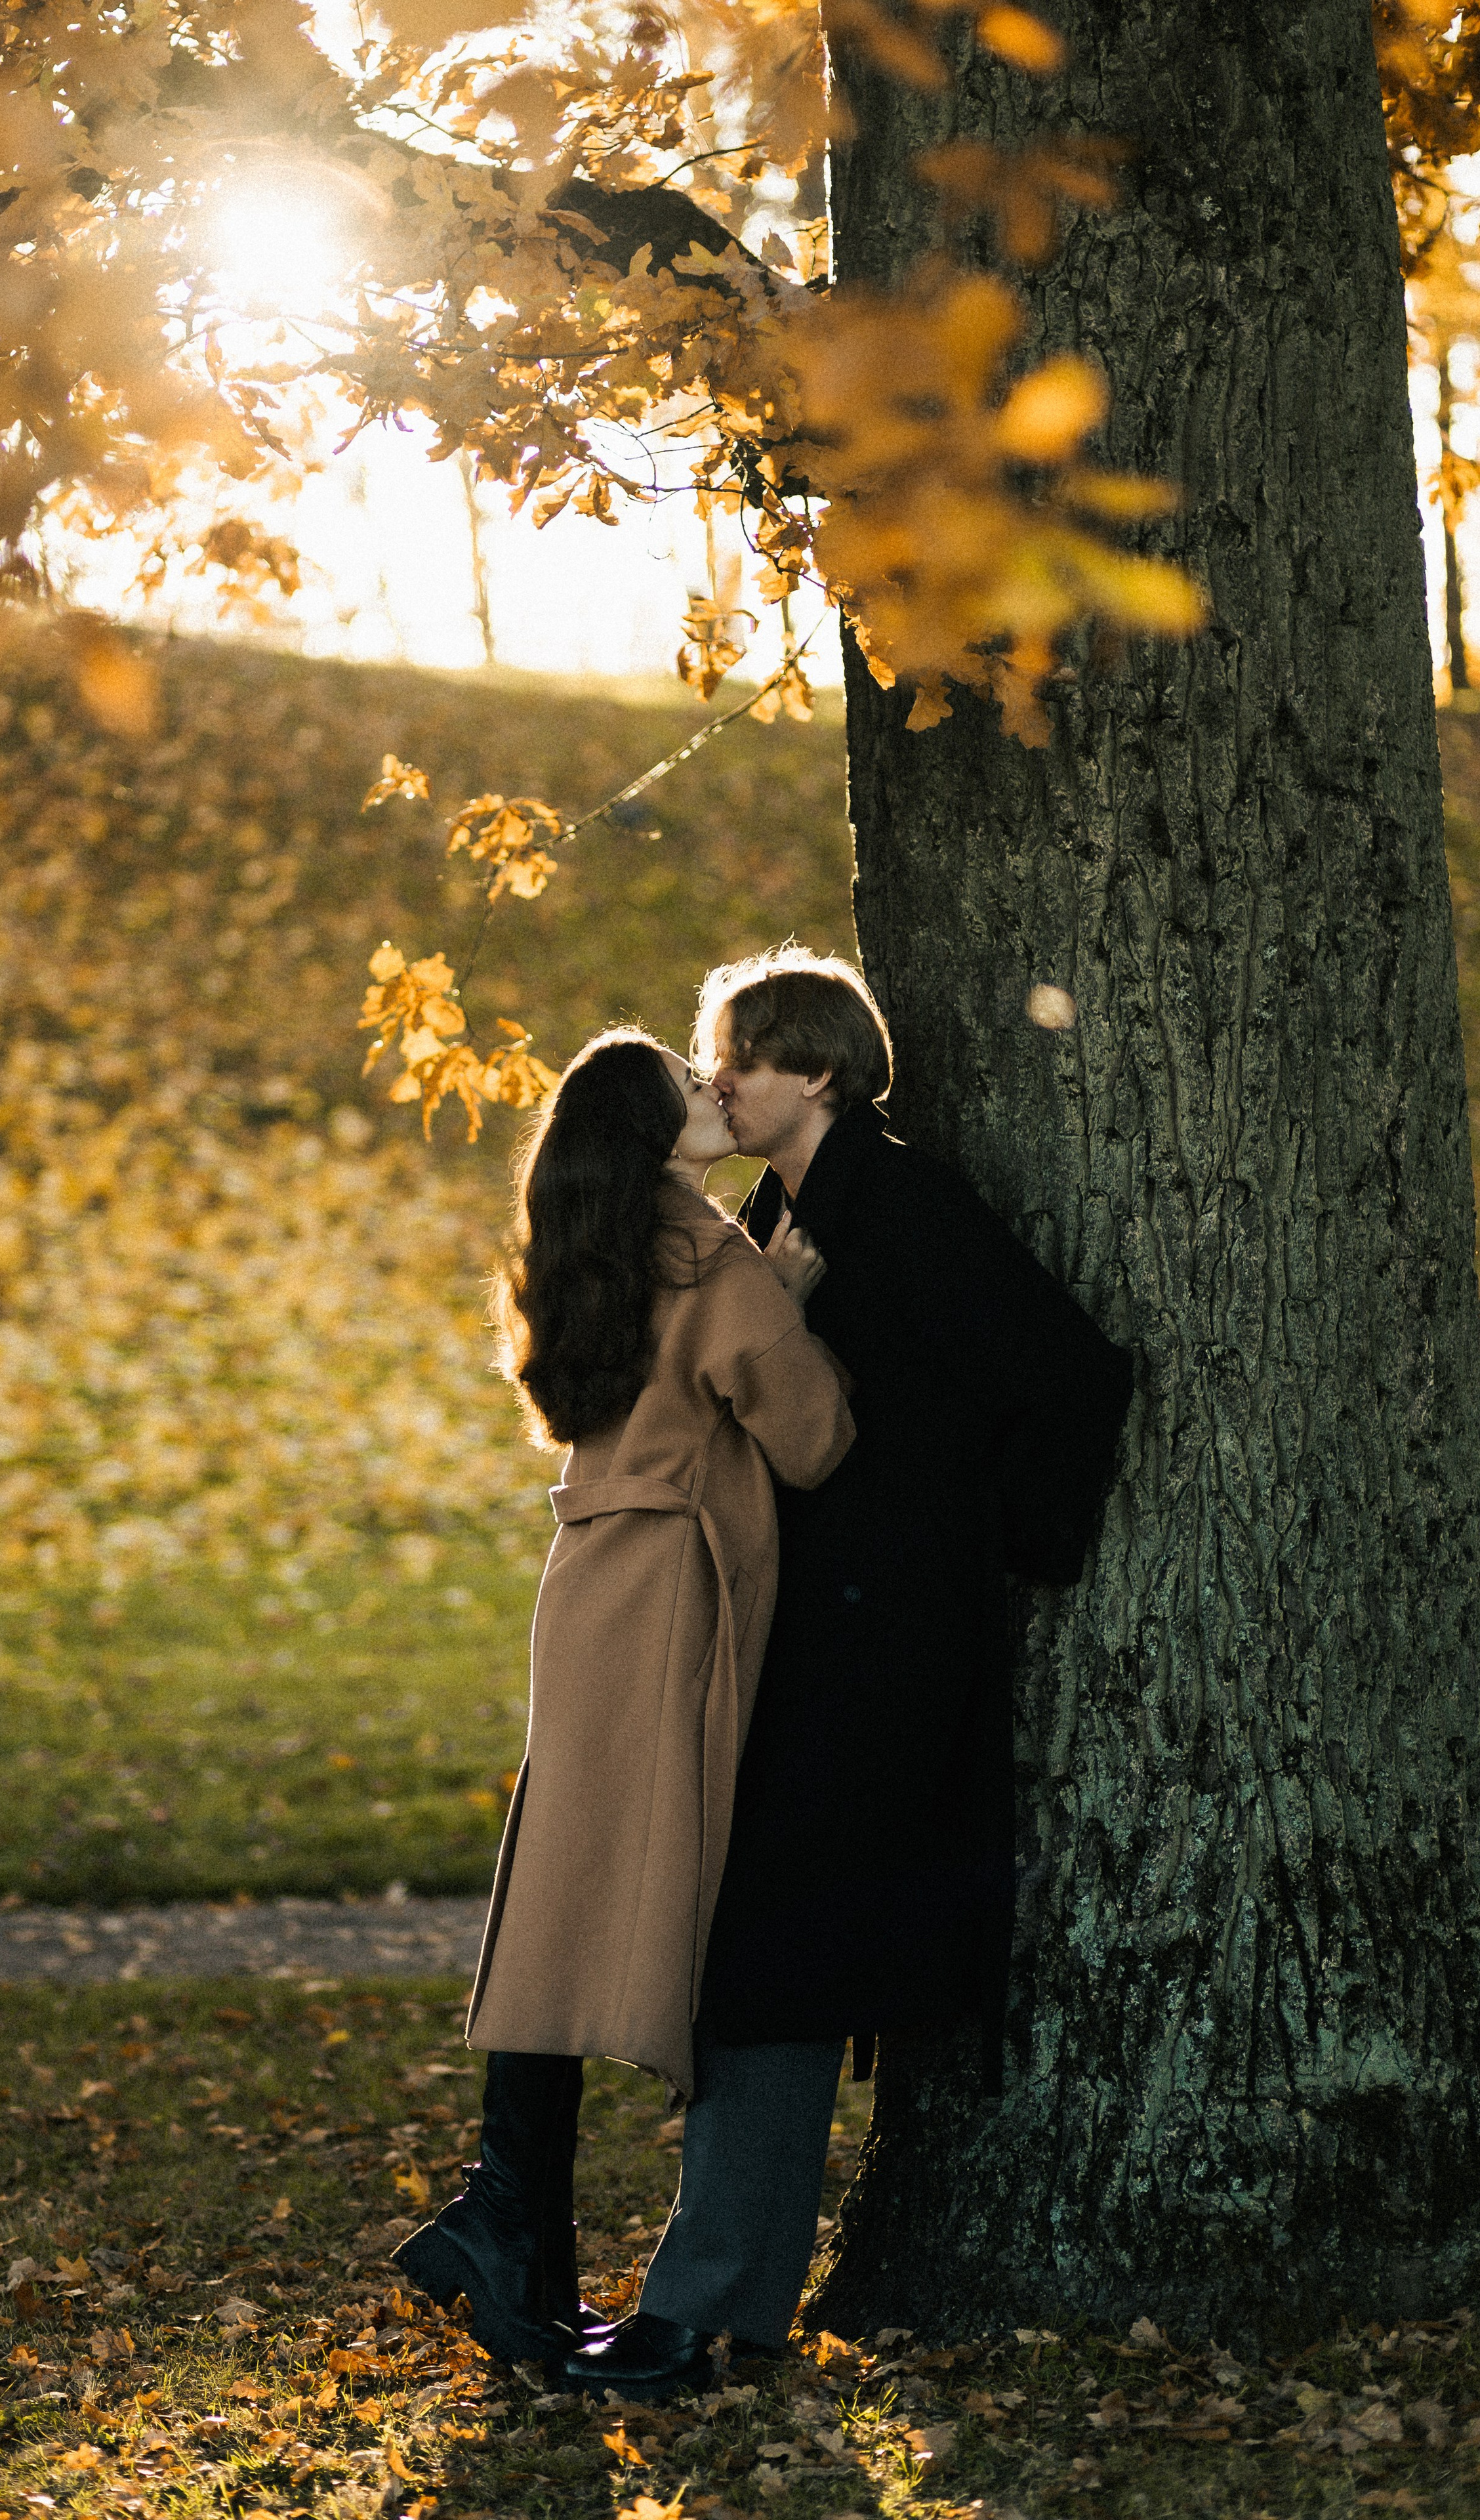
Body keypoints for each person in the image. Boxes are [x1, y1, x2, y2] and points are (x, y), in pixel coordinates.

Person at [562, 949, 1134, 2401]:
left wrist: (999, 1549)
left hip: (877, 1645)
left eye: (736, 1058)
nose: (717, 1082)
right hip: (806, 1630)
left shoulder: (905, 1204)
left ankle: (704, 2309)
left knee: (771, 1953)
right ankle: (725, 2304)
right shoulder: (779, 1214)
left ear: (814, 1072)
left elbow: (1065, 1371)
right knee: (761, 1954)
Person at [391, 1026, 855, 2370]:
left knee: (562, 1888)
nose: (714, 1093)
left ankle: (507, 2218)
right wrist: (791, 1296)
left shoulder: (578, 1254)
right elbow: (812, 1438)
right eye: (689, 1091)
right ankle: (503, 2218)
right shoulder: (710, 1259)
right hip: (664, 1594)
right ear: (654, 1138)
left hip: (585, 1581)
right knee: (609, 1892)